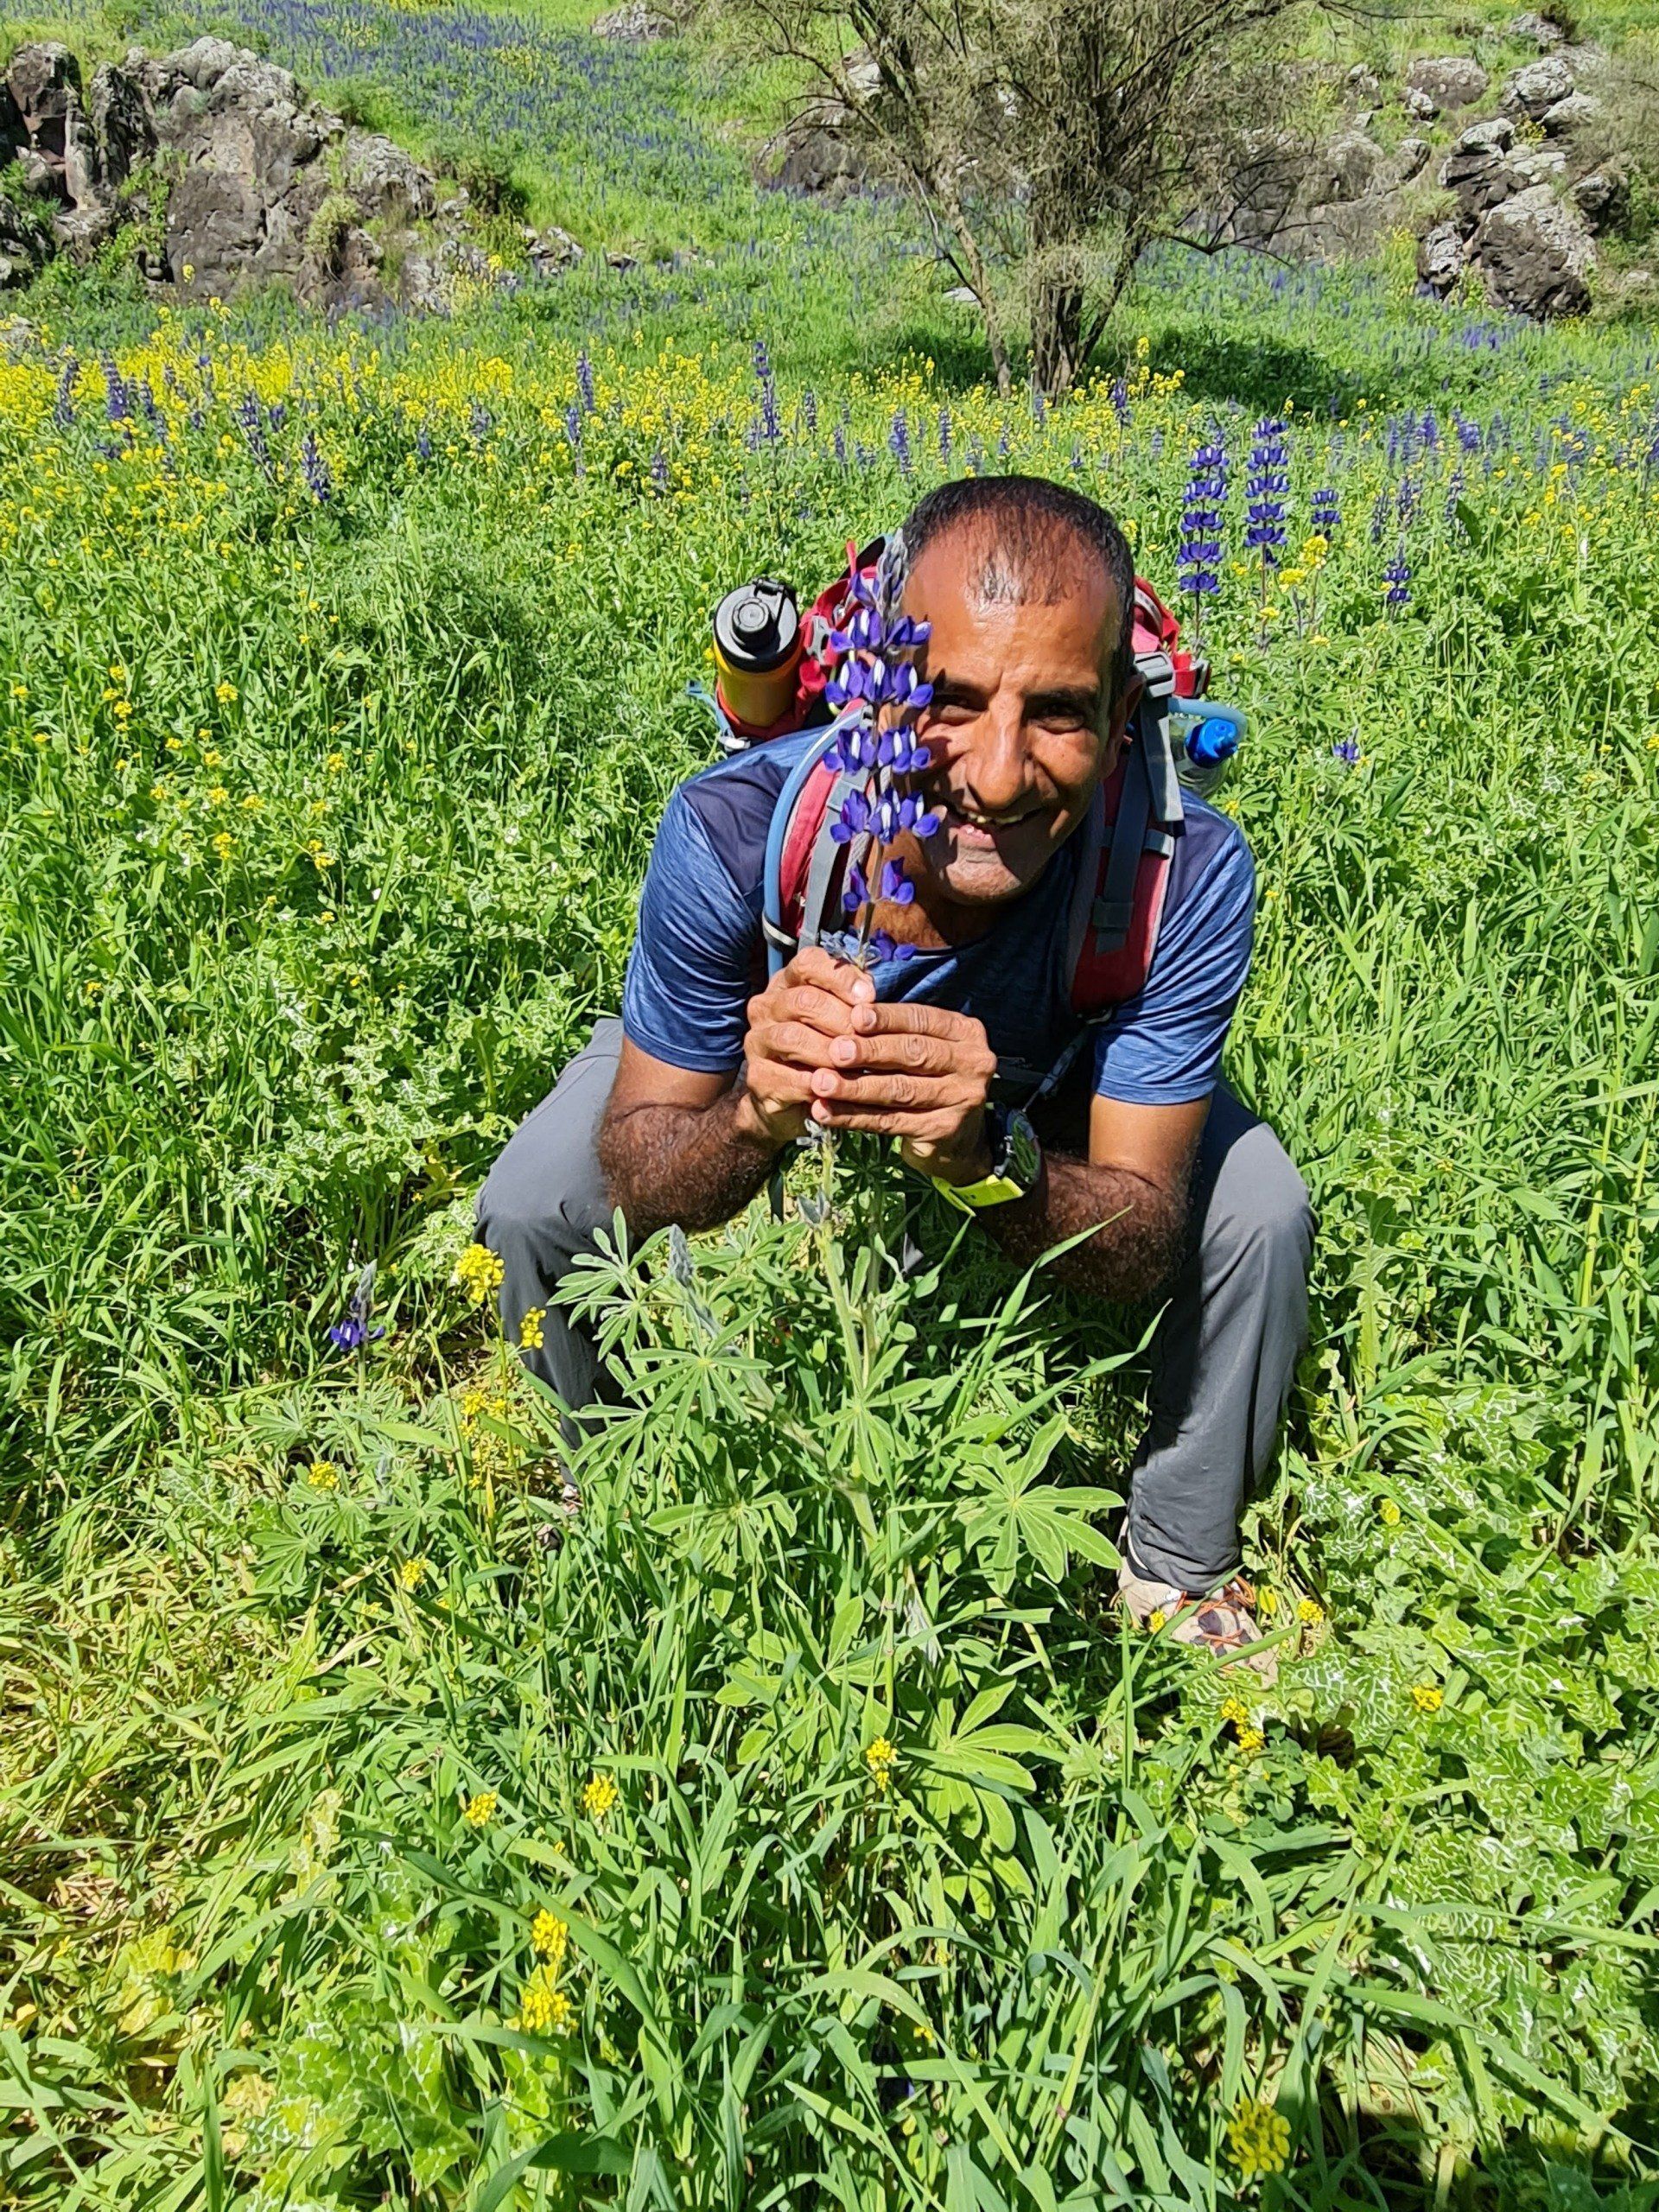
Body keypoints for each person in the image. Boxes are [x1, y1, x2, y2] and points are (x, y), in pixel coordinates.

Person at [477, 474, 1312, 1673]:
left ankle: (1179, 1562)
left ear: (1124, 720)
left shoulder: (1179, 874)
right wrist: (756, 1120)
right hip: (761, 1072)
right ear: (878, 688)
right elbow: (648, 1169)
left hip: (1045, 1095)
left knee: (1257, 1209)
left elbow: (1136, 1240)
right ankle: (615, 1489)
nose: (998, 772)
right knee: (537, 1196)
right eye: (949, 700)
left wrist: (993, 1162)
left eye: (1061, 713)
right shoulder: (738, 826)